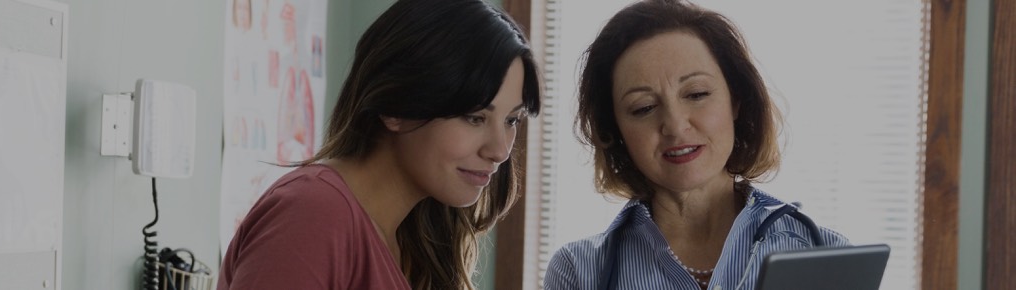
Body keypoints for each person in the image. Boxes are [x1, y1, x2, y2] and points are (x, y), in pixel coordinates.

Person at [218, 0, 541, 289]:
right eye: (474, 117)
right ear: (396, 109)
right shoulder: (313, 214)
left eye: (512, 120)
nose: (499, 151)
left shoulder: (415, 237)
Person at [544, 1, 849, 289]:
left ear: (736, 100)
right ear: (616, 131)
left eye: (697, 94)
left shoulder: (828, 256)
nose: (675, 126)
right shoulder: (578, 270)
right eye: (643, 107)